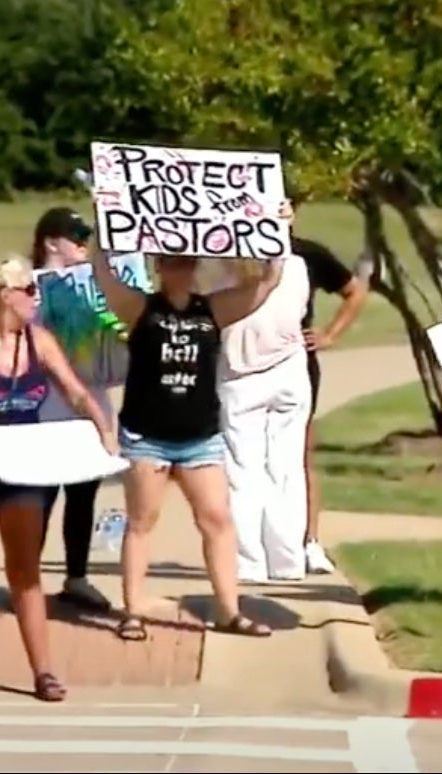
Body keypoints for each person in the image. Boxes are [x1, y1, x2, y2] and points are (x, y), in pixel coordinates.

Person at [0, 255, 116, 703]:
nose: (37, 299)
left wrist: (104, 430)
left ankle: (44, 672)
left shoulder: (40, 340)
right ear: (5, 295)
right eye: (30, 291)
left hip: (25, 463)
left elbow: (74, 389)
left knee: (25, 571)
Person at [92, 241, 281, 642]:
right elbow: (103, 276)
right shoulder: (142, 308)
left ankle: (230, 610)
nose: (181, 267)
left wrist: (277, 235)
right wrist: (102, 229)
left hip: (200, 437)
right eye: (172, 260)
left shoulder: (211, 309)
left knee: (217, 519)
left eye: (187, 260)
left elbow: (267, 284)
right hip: (148, 436)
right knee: (142, 522)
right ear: (159, 265)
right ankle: (132, 611)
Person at [30, 207, 111, 611]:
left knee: (83, 497)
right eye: (75, 236)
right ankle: (25, 582)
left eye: (86, 236)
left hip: (93, 404)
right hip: (46, 410)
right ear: (50, 242)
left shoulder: (96, 286)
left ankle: (76, 578)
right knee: (39, 500)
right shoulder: (31, 290)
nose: (83, 244)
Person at [216, 254, 312, 582]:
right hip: (288, 368)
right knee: (286, 469)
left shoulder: (218, 267)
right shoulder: (295, 265)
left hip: (239, 374)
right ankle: (287, 560)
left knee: (243, 474)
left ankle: (250, 562)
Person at [289, 197, 368, 574]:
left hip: (296, 362)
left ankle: (309, 541)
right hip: (242, 364)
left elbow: (355, 291)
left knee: (301, 452)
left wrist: (330, 335)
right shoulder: (233, 251)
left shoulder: (308, 254)